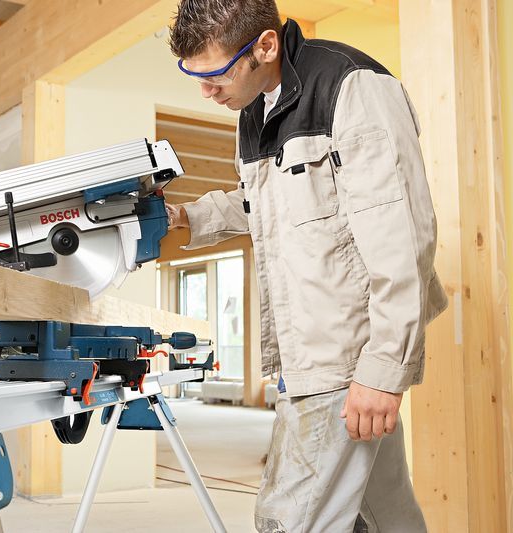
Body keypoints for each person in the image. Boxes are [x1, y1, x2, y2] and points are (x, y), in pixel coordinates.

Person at [166, 1, 448, 531]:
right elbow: (264, 205)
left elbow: (401, 238)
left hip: (345, 355)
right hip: (313, 353)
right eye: (193, 75)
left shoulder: (351, 88)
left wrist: (383, 373)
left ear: (265, 46)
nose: (205, 90)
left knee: (289, 519)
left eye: (214, 74)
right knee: (386, 516)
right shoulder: (253, 106)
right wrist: (187, 216)